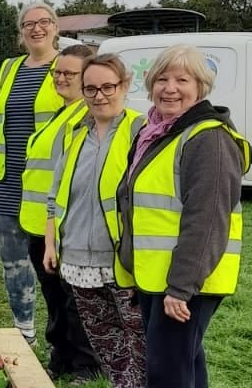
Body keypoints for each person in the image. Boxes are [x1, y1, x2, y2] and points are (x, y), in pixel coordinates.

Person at [117, 44, 249, 388]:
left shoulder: (209, 140)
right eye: (162, 78)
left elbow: (206, 221)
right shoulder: (156, 133)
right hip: (157, 278)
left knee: (167, 372)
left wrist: (181, 287)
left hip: (185, 283)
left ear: (200, 87)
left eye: (182, 79)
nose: (170, 88)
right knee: (183, 365)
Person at [43, 53, 147, 388]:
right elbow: (55, 195)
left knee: (141, 345)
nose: (99, 96)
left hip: (122, 262)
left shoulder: (140, 131)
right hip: (77, 259)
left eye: (107, 87)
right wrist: (50, 242)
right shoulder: (74, 133)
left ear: (124, 85)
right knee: (108, 347)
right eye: (90, 89)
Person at [0, 1, 63, 345]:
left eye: (43, 22)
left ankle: (65, 341)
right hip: (9, 184)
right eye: (28, 24)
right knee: (14, 264)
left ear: (55, 27)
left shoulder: (66, 68)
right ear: (20, 32)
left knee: (55, 269)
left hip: (52, 186)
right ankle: (25, 333)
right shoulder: (10, 69)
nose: (36, 28)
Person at [20, 44, 100, 382]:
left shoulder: (86, 116)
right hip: (40, 223)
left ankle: (86, 365)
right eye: (57, 72)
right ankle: (61, 356)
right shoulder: (63, 112)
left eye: (70, 73)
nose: (61, 78)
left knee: (73, 300)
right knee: (55, 298)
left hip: (64, 226)